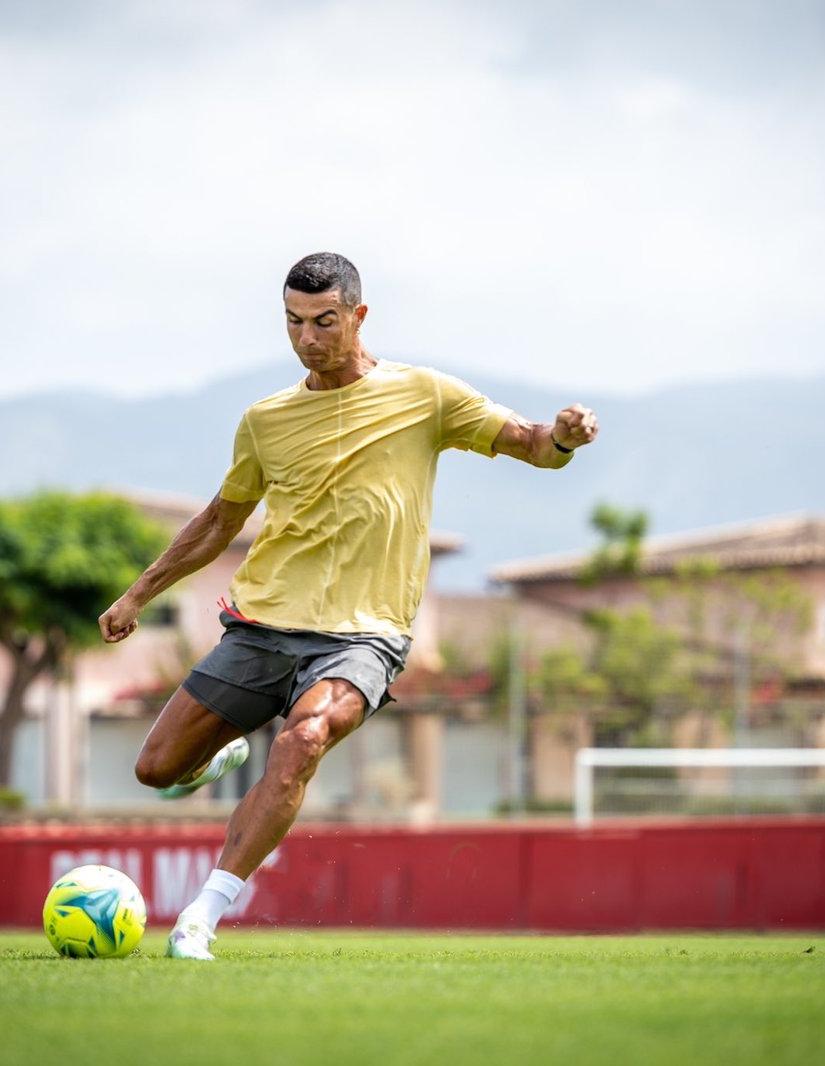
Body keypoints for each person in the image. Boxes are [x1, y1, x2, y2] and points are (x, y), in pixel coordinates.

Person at [98, 252, 598, 960]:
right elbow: (218, 522)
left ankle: (200, 918)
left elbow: (533, 445)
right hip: (263, 623)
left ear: (358, 316)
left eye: (324, 322)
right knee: (155, 770)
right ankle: (220, 755)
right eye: (293, 323)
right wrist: (137, 594)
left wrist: (566, 439)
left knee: (302, 741)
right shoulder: (266, 420)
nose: (307, 338)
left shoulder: (424, 394)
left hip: (363, 637)